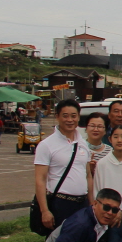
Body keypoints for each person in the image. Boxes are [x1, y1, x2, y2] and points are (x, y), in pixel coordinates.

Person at [33, 99, 92, 233]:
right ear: (57, 117)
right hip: (60, 204)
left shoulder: (83, 143)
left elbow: (88, 175)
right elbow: (40, 180)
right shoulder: (46, 145)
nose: (70, 120)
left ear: (78, 117)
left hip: (82, 204)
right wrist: (45, 211)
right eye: (65, 116)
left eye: (73, 116)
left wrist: (91, 202)